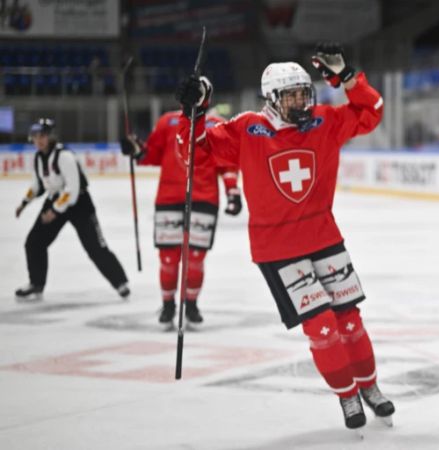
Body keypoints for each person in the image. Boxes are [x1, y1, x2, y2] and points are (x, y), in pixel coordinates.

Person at [173, 43, 394, 430]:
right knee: (322, 325)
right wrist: (194, 111)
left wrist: (347, 78)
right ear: (272, 99)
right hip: (277, 248)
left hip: (324, 236)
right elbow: (194, 155)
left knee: (349, 320)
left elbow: (371, 112)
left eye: (303, 93)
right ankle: (347, 395)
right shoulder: (247, 128)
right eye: (290, 95)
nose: (300, 102)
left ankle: (370, 387)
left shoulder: (325, 120)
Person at [120, 90, 242, 329]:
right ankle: (168, 304)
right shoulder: (168, 121)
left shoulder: (217, 124)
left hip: (203, 198)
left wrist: (232, 191)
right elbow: (153, 154)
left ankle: (191, 304)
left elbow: (227, 161)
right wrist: (137, 150)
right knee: (168, 258)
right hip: (170, 198)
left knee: (195, 258)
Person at [14, 118, 130, 301]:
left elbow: (72, 190)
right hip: (56, 200)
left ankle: (120, 282)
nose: (38, 140)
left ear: (51, 137)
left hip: (79, 204)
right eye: (35, 136)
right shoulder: (38, 158)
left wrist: (55, 211)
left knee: (95, 247)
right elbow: (37, 185)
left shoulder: (64, 156)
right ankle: (36, 284)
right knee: (34, 242)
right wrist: (24, 202)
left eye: (42, 136)